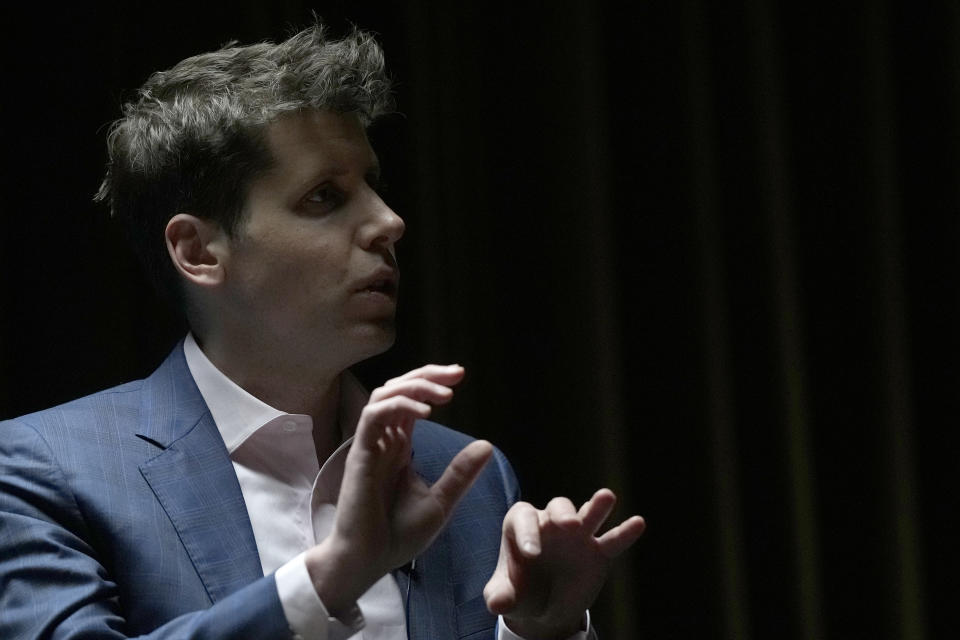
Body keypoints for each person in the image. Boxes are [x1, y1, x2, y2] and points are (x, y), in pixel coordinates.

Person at [0, 23, 645, 640]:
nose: (390, 222)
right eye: (324, 198)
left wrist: (542, 629)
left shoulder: (465, 476)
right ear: (199, 251)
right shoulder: (46, 469)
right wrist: (335, 574)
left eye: (375, 186)